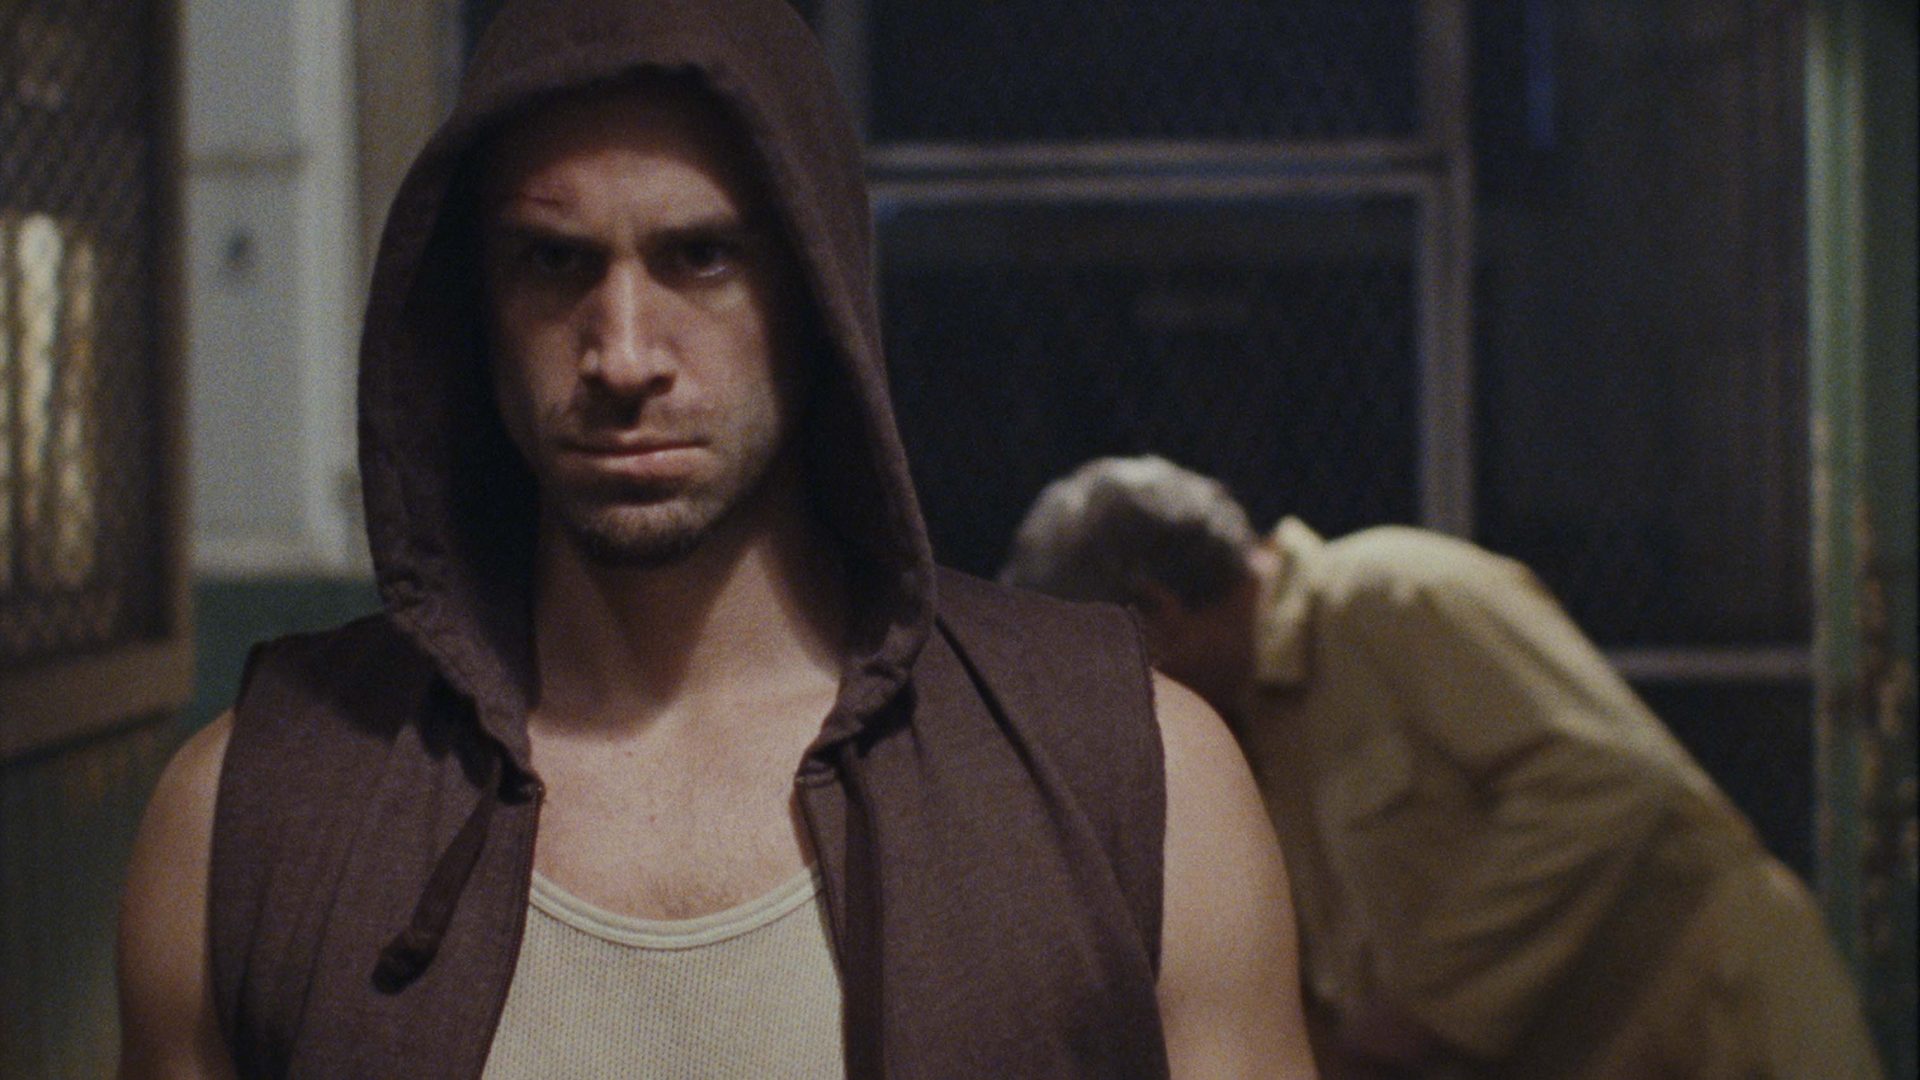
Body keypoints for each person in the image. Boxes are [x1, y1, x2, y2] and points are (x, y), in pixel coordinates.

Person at [115, 4, 1318, 1078]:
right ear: (473, 306)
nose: (624, 354)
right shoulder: (251, 814)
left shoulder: (1137, 776)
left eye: (701, 256)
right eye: (554, 261)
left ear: (815, 292)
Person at [1001, 455, 1885, 1080]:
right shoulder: (1244, 727)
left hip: (1715, 1024)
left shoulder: (1393, 595)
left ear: (1157, 612)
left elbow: (1602, 782)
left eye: (1113, 669)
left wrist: (1423, 1006)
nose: (1122, 709)